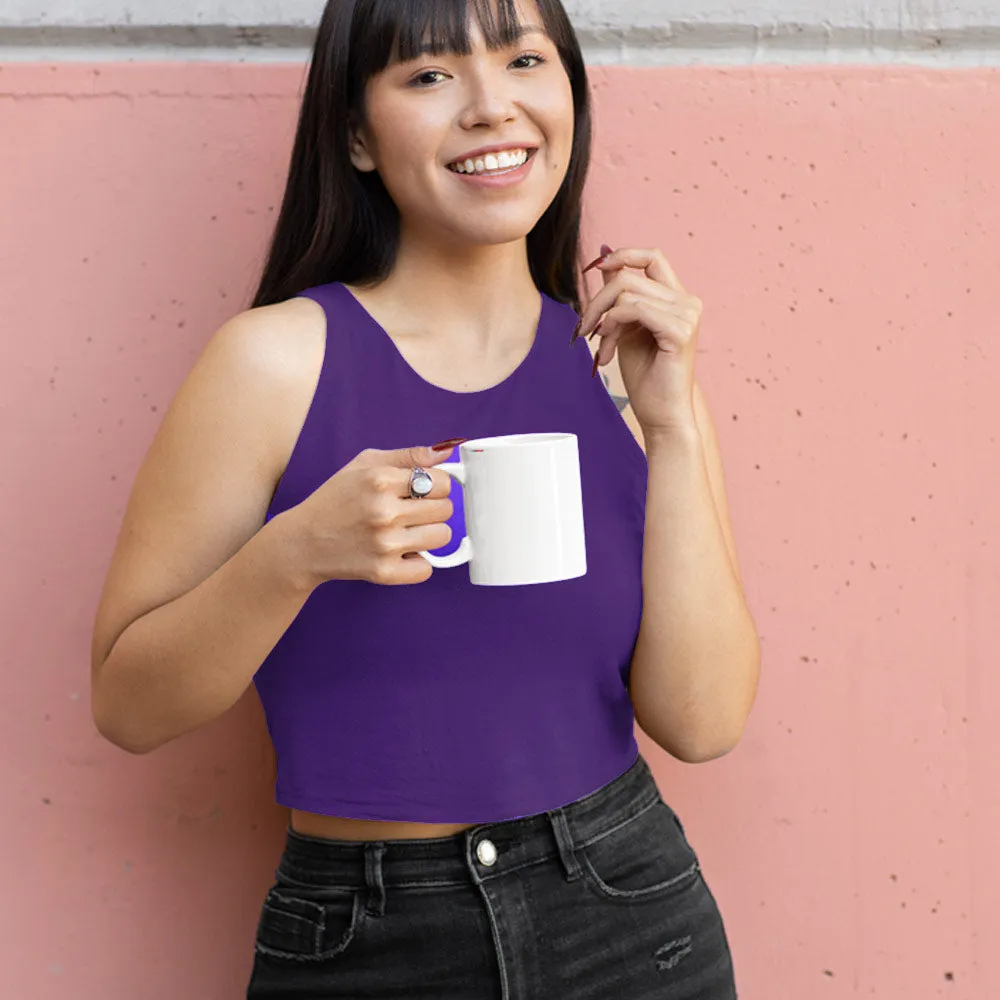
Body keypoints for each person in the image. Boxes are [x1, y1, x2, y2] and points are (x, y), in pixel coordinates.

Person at [90, 0, 761, 995]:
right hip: (367, 933)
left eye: (525, 60)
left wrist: (672, 424)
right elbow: (127, 705)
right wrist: (294, 553)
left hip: (627, 911)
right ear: (356, 135)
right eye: (430, 75)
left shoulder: (625, 371)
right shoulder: (272, 363)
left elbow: (700, 722)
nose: (493, 106)